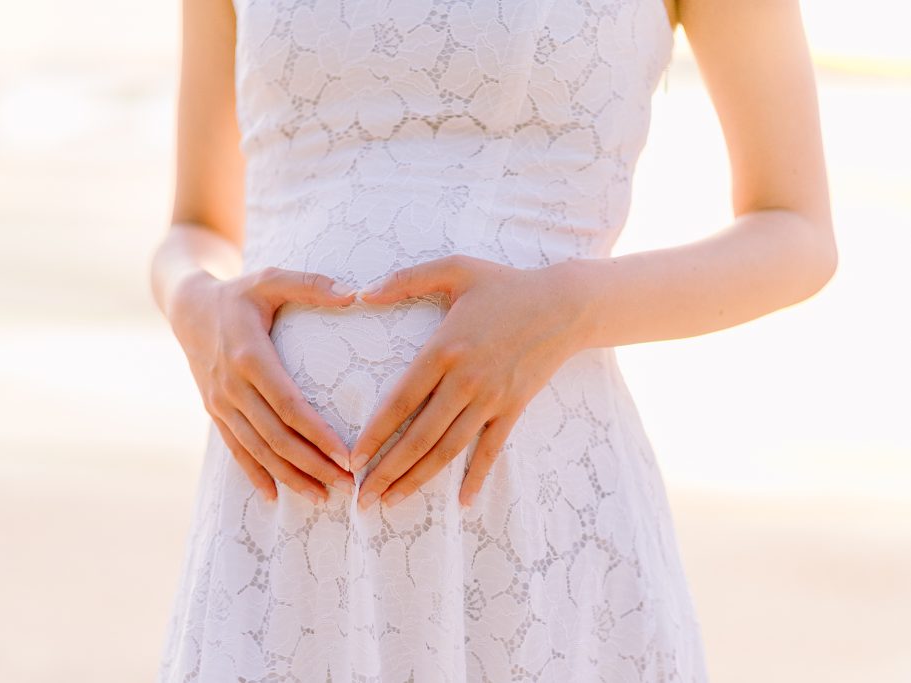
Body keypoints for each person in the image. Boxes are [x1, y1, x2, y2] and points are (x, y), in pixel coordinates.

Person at [150, 0, 836, 680]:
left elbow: (796, 232)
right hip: (275, 523)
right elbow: (196, 225)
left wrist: (570, 305)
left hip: (527, 507)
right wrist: (194, 304)